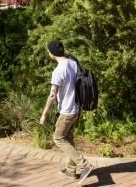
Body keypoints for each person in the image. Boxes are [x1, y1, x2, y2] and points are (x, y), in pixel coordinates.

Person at [39, 40, 93, 184]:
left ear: (51, 53)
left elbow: (52, 95)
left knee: (59, 139)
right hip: (76, 110)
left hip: (66, 111)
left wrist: (44, 114)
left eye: (48, 51)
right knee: (68, 138)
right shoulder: (73, 63)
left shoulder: (58, 71)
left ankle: (84, 165)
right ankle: (71, 170)